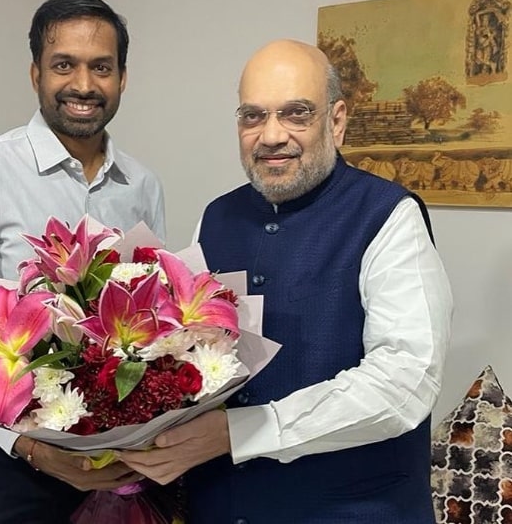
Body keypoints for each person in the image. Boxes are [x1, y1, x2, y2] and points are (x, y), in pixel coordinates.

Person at [119, 39, 453, 523]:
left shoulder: (387, 216)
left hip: (353, 510)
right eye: (252, 116)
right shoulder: (215, 218)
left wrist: (244, 431)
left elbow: (405, 383)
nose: (271, 135)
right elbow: (186, 351)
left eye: (296, 113)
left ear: (336, 121)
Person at [0, 0, 165, 524]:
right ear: (35, 75)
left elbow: (150, 322)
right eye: (63, 65)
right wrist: (29, 446)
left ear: (123, 77)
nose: (83, 85)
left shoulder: (142, 185)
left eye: (101, 67)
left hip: (104, 465)